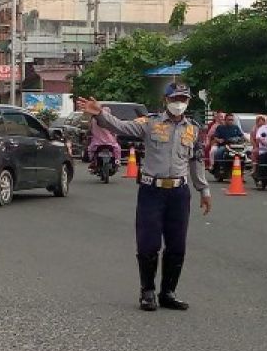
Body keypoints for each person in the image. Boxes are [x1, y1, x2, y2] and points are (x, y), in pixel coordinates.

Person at [77, 82, 211, 312]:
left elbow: (196, 161)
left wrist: (204, 190)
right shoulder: (149, 123)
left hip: (179, 193)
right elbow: (121, 127)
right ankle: (147, 292)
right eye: (174, 98)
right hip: (152, 190)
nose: (179, 103)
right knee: (148, 243)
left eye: (183, 99)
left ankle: (168, 292)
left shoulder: (194, 129)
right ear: (165, 101)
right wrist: (99, 114)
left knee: (177, 245)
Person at [86, 104, 122, 169]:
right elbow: (114, 130)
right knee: (117, 149)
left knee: (91, 149)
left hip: (97, 141)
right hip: (110, 141)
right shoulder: (111, 120)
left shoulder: (94, 120)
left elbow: (90, 129)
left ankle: (93, 161)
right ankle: (117, 161)